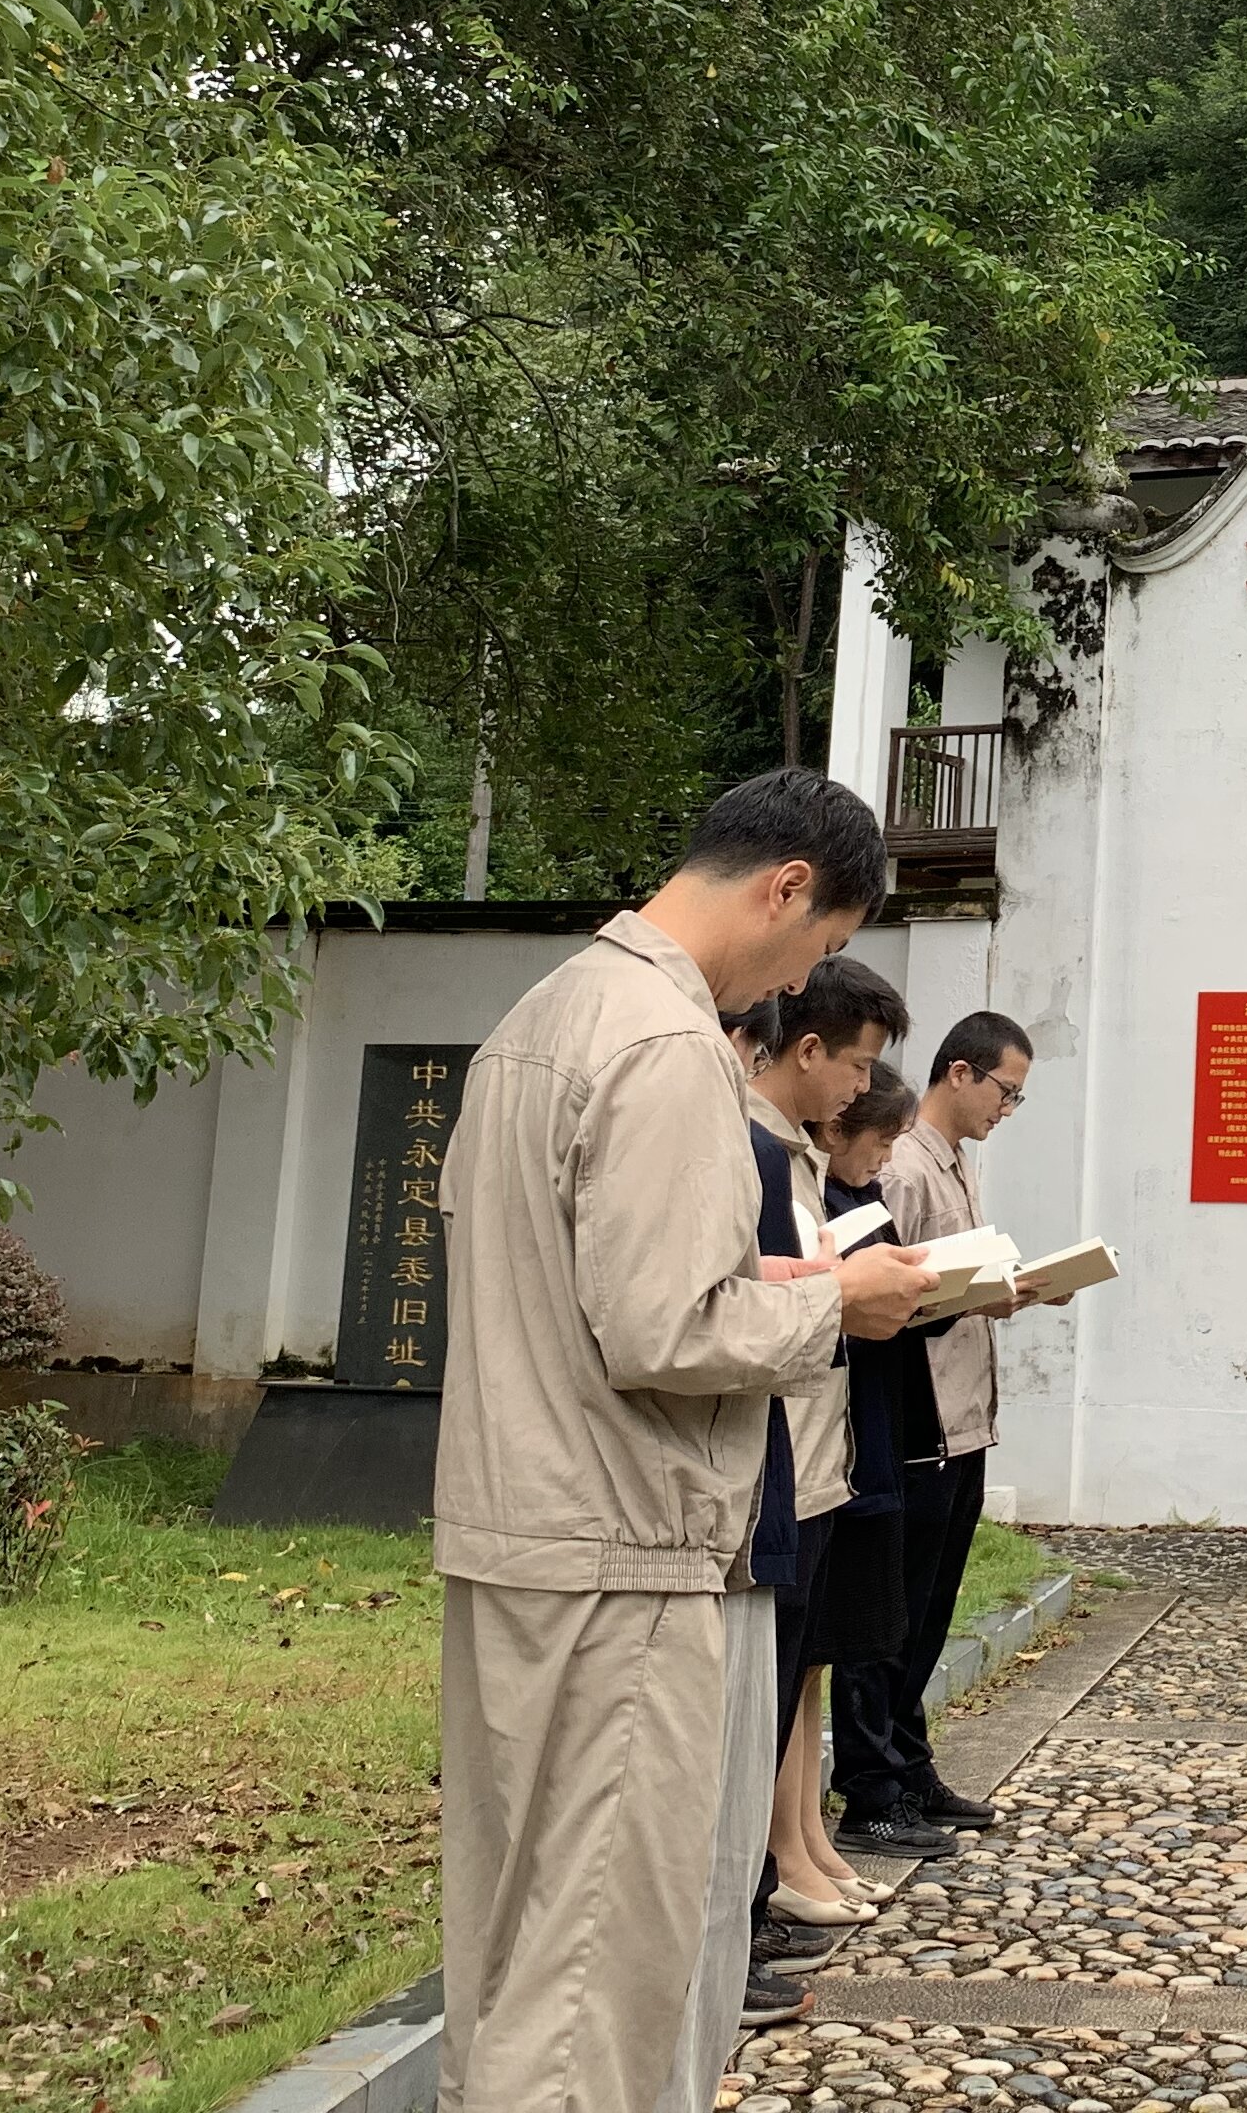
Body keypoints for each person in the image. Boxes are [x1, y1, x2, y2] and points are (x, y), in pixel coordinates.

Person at [434, 768, 933, 2113]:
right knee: (595, 1975)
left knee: (518, 1950)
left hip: (523, 1527)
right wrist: (838, 1304)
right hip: (626, 1547)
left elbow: (584, 1283)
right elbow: (664, 1329)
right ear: (785, 888)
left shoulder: (545, 1014)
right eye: (823, 944)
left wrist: (779, 1286)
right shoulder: (664, 1042)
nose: (801, 982)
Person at [735, 957, 910, 1961]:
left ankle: (782, 1869)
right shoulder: (756, 1150)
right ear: (805, 1050)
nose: (862, 1087)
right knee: (762, 1695)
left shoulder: (794, 1152)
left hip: (816, 1455)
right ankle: (751, 1906)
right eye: (857, 1066)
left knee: (793, 1677)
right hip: (776, 1458)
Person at [837, 1009, 1036, 1851]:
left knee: (928, 1610)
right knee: (890, 1614)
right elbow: (889, 1299)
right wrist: (975, 1295)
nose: (1006, 1109)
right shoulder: (906, 1165)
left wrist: (1005, 1289)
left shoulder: (954, 1161)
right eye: (1005, 1091)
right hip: (917, 1418)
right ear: (960, 1072)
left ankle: (910, 1766)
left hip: (962, 1419)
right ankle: (872, 1786)